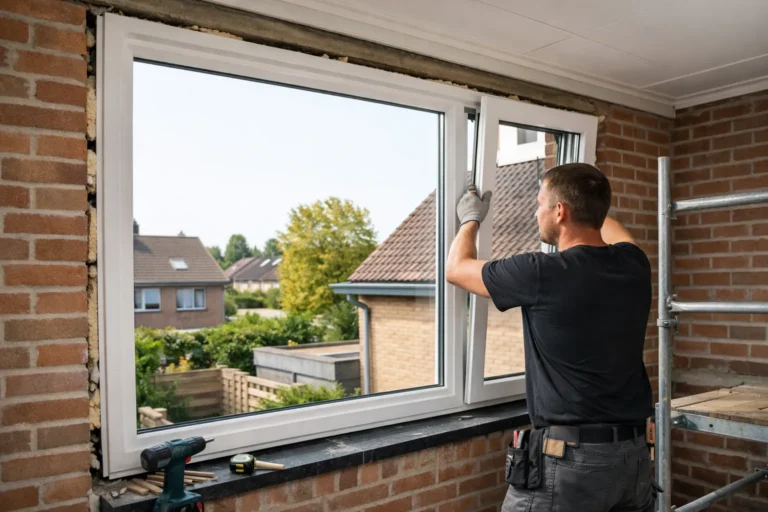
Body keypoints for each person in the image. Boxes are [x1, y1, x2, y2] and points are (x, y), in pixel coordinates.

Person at [446, 163, 655, 512]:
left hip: (572, 465)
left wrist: (470, 219)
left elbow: (456, 268)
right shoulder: (634, 264)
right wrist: (587, 198)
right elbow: (611, 228)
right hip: (633, 460)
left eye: (541, 202)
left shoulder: (541, 273)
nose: (535, 210)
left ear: (560, 211)